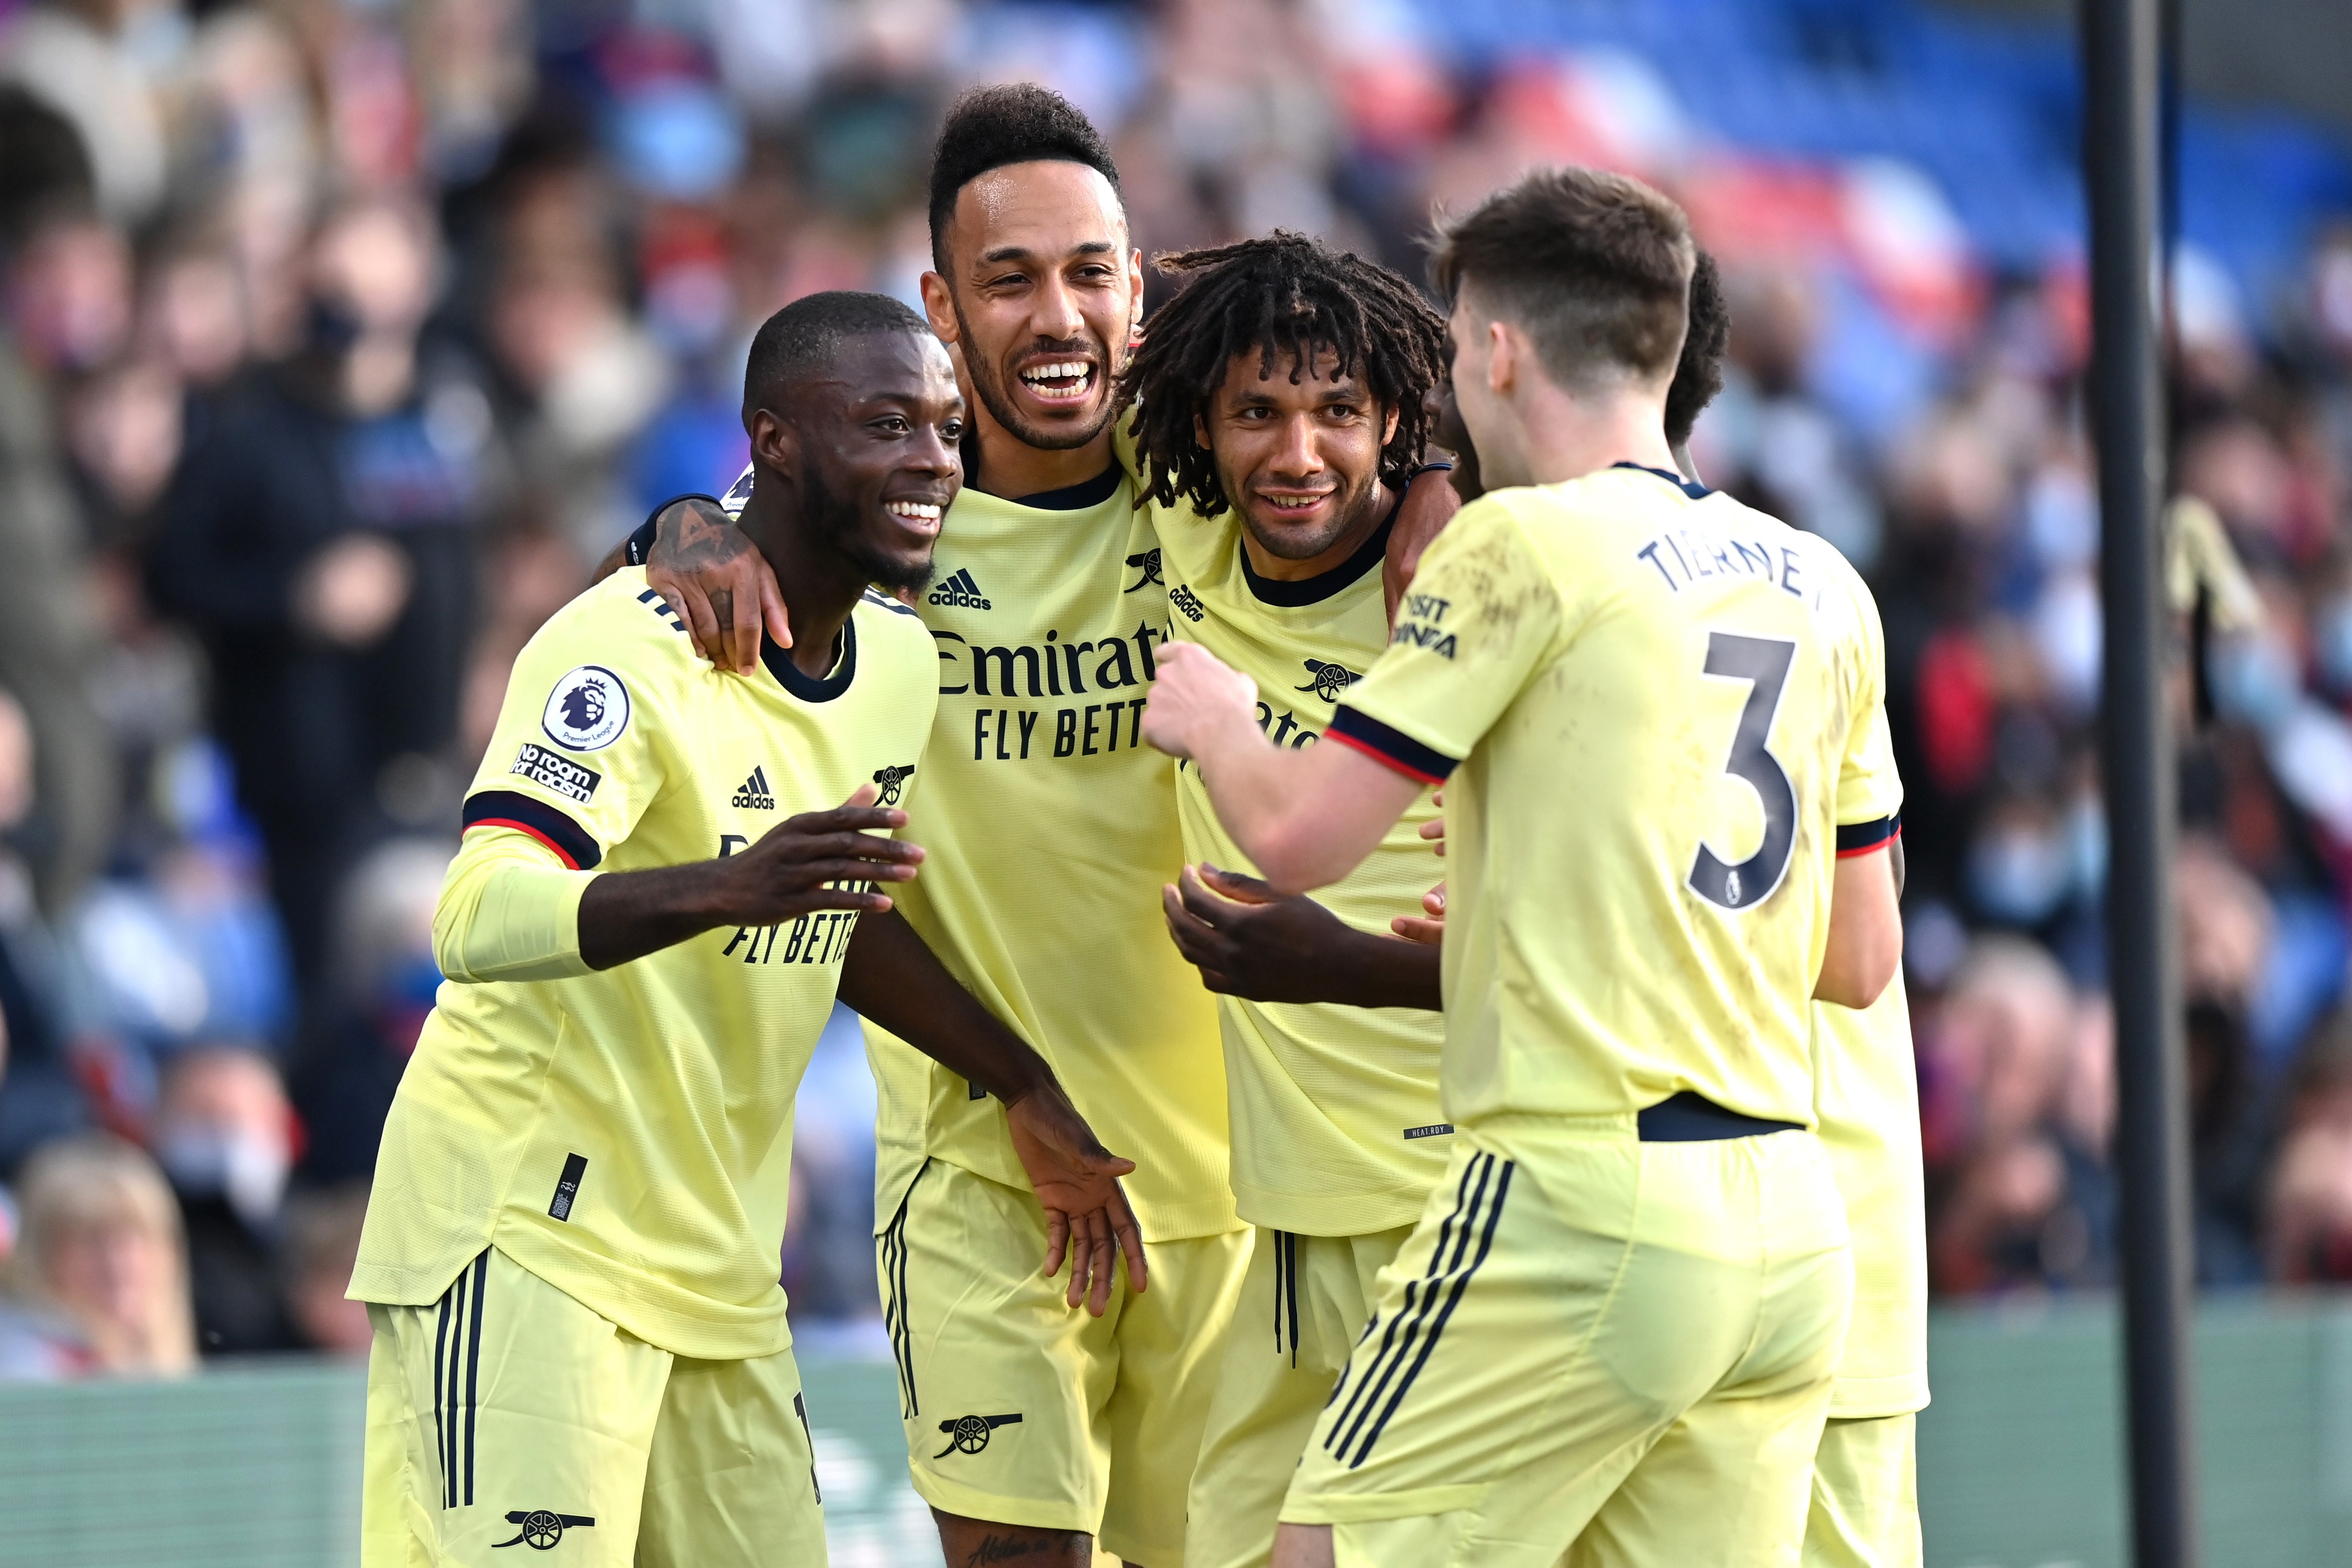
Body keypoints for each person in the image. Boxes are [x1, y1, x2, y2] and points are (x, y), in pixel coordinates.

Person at [616, 86, 1451, 1568]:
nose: (1056, 314)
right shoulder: (884, 527)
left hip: (1224, 1180)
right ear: (939, 305)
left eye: (1089, 272)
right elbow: (701, 573)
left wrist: (1436, 477)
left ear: (1138, 287)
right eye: (1007, 281)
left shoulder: (1216, 469)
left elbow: (1388, 378)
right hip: (979, 1161)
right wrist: (679, 522)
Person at [1139, 167, 1904, 1568]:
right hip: (1788, 1227)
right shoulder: (1814, 578)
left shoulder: (1519, 543)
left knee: (1305, 1554)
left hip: (1580, 1196)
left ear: (1489, 349)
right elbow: (1854, 961)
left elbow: (1300, 837)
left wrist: (1218, 722)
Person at [348, 289, 1141, 1567]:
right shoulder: (629, 639)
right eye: (886, 424)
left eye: (943, 427)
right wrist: (722, 885)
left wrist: (1020, 1082)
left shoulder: (898, 662)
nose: (932, 457)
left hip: (720, 1268)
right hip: (525, 1234)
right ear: (769, 440)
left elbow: (831, 900)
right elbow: (476, 909)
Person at [1112, 231, 1455, 1568]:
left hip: (1448, 1195)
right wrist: (684, 521)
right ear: (1200, 418)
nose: (1295, 452)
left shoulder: (1461, 584)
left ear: (1394, 418)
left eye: (1338, 414)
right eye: (1256, 411)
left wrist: (1439, 479)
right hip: (1289, 1220)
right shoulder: (1190, 525)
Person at [11, 1131, 197, 1377]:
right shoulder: (21, 1367)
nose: (118, 1263)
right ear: (41, 1255)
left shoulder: (164, 1366)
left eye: (137, 1238)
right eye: (91, 1240)